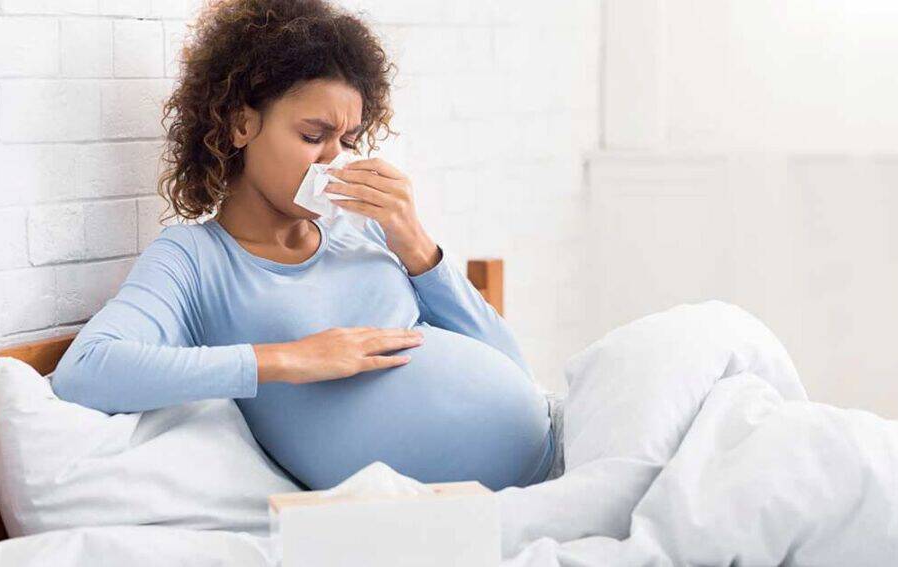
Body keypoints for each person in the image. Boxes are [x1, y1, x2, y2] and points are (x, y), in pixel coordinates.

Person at [50, 0, 561, 492]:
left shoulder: (364, 230)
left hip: (552, 455)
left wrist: (416, 244)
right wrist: (290, 360)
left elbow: (514, 369)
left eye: (348, 141)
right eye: (314, 136)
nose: (334, 160)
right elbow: (84, 371)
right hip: (451, 512)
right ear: (241, 125)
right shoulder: (194, 259)